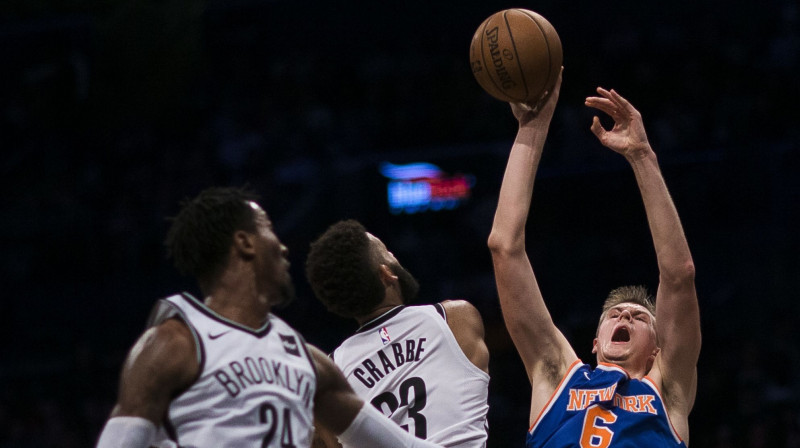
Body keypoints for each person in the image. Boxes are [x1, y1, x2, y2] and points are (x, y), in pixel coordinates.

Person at [95, 187, 444, 448]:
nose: (283, 246)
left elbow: (402, 446)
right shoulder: (175, 344)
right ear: (245, 243)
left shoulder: (309, 362)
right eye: (269, 229)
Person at [487, 70, 700, 446]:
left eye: (639, 318)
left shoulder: (668, 390)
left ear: (656, 350)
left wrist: (642, 155)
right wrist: (532, 127)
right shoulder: (558, 376)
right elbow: (504, 246)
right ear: (595, 343)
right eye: (614, 315)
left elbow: (679, 275)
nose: (624, 317)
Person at [305, 219, 490, 447]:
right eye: (387, 252)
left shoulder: (333, 371)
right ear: (386, 274)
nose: (393, 255)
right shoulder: (455, 318)